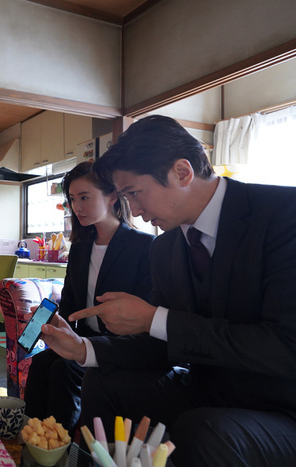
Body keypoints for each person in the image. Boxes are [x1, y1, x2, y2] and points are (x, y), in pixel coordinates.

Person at [40, 115, 296, 466]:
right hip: (207, 391)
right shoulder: (166, 247)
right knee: (101, 382)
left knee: (202, 430)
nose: (134, 209)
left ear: (182, 172)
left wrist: (155, 318)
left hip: (281, 406)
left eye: (134, 193)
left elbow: (285, 345)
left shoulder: (283, 215)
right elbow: (162, 345)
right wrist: (84, 348)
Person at [24, 161, 154, 430]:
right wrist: (50, 323)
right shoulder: (81, 248)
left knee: (63, 369)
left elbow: (146, 314)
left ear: (112, 196)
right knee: (40, 362)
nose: (77, 207)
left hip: (120, 347)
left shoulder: (143, 246)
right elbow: (70, 303)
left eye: (84, 197)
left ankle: (59, 443)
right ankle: (32, 436)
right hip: (83, 338)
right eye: (72, 199)